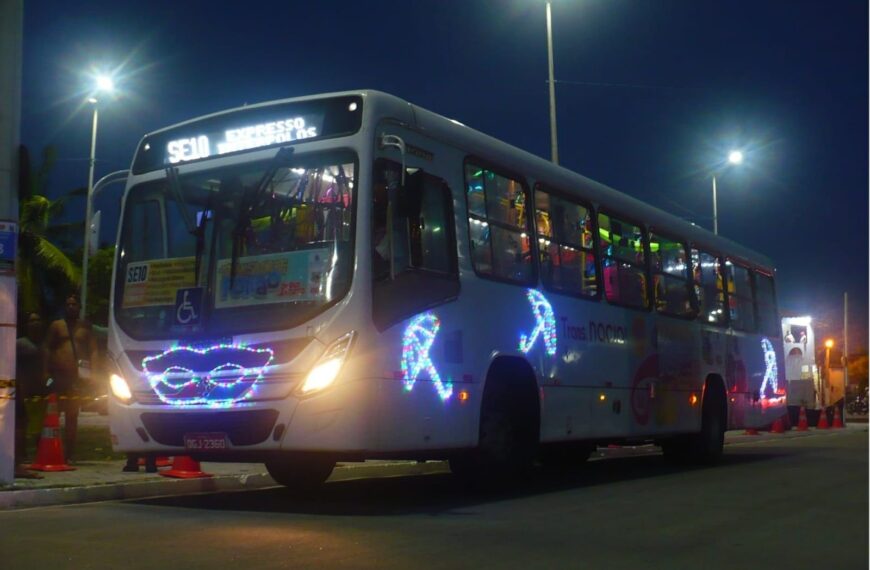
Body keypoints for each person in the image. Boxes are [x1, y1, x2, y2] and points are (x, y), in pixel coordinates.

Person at [43, 294, 98, 463]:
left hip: (77, 379)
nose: (71, 307)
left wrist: (93, 372)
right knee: (52, 414)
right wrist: (46, 372)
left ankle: (69, 453)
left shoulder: (85, 327)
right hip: (58, 376)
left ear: (79, 307)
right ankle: (48, 450)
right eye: (68, 304)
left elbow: (93, 350)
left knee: (72, 416)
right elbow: (47, 348)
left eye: (74, 304)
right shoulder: (57, 326)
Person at [14, 312, 46, 479]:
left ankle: (37, 457)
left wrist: (49, 384)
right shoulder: (20, 344)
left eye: (37, 320)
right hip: (22, 391)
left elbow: (47, 369)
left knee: (39, 427)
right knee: (21, 425)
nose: (35, 323)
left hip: (40, 392)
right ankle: (19, 460)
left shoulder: (44, 344)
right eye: (31, 320)